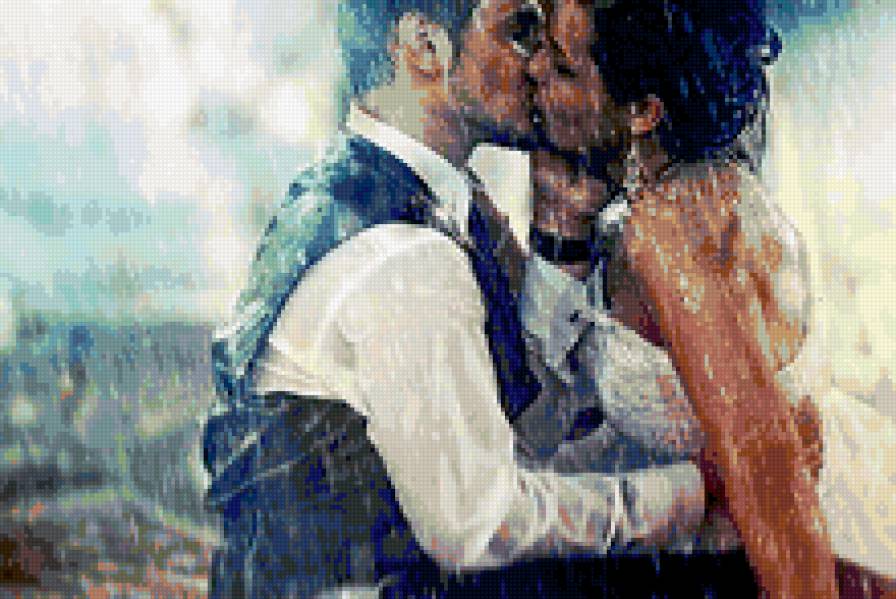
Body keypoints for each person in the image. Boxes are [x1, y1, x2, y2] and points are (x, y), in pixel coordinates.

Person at [201, 1, 720, 597]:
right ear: (424, 46)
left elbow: (526, 433)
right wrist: (689, 494)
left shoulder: (385, 193)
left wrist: (561, 235)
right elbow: (478, 525)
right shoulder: (404, 253)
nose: (539, 66)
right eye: (520, 31)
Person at [520, 0, 896, 596]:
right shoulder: (660, 202)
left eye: (562, 66)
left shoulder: (674, 228)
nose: (534, 67)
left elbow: (771, 479)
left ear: (644, 112)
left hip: (831, 557)